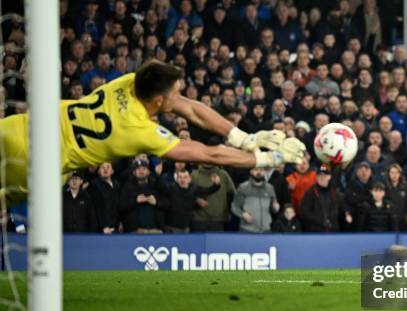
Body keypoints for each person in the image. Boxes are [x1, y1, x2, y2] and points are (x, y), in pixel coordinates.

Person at [0, 60, 305, 208]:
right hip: (33, 161)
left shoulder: (129, 81)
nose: (181, 96)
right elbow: (208, 154)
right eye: (176, 92)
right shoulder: (139, 131)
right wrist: (268, 158)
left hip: (18, 126)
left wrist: (244, 138)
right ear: (159, 100)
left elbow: (191, 109)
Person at [161, 169, 220, 233]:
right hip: (171, 227)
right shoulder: (171, 188)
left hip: (186, 228)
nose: (182, 180)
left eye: (185, 177)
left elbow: (208, 190)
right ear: (176, 179)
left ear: (189, 179)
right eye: (180, 177)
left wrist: (216, 184)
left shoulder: (193, 188)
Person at [118, 159, 165, 233]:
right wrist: (135, 201)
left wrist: (156, 202)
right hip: (136, 230)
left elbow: (168, 203)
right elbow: (121, 207)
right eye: (138, 169)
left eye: (144, 169)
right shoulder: (127, 187)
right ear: (134, 172)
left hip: (155, 230)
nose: (141, 171)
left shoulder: (157, 185)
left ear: (148, 172)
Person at [231, 167, 279, 233]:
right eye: (256, 170)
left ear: (265, 172)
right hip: (247, 230)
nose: (258, 172)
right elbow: (235, 206)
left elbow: (273, 209)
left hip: (266, 230)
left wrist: (276, 208)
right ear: (251, 172)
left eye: (261, 170)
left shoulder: (270, 188)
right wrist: (243, 214)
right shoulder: (243, 187)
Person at [190, 164, 235, 232]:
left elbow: (232, 194)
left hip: (218, 219)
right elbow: (185, 193)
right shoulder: (194, 174)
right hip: (198, 219)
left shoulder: (223, 174)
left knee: (217, 242)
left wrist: (229, 212)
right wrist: (196, 200)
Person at [300, 166, 345, 232]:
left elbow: (342, 208)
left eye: (324, 175)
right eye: (319, 176)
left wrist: (346, 213)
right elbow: (304, 212)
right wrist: (321, 221)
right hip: (316, 232)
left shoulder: (335, 192)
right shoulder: (310, 192)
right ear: (316, 178)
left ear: (329, 177)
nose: (321, 178)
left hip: (333, 231)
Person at [88, 162, 121, 234]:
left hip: (116, 227)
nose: (105, 169)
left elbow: (119, 206)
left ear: (112, 171)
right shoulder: (94, 184)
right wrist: (103, 226)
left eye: (108, 167)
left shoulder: (117, 184)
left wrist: (120, 222)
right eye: (102, 167)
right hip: (102, 229)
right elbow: (97, 208)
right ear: (98, 171)